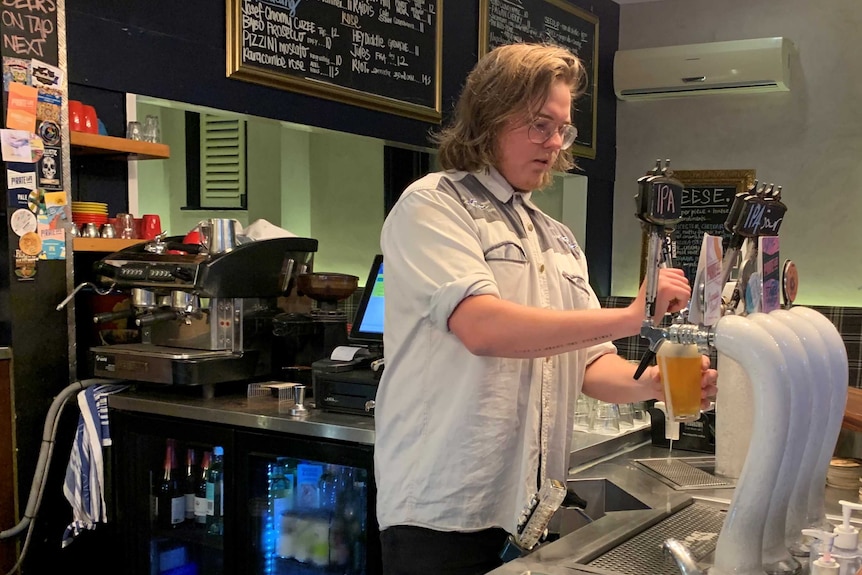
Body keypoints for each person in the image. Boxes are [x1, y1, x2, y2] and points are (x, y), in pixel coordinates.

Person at [373, 42, 718, 575]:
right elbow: (484, 328)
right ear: (489, 116)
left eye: (562, 129)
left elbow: (589, 364)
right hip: (442, 509)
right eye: (539, 125)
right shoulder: (433, 204)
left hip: (529, 512)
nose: (554, 143)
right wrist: (632, 316)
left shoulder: (556, 237)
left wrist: (654, 385)